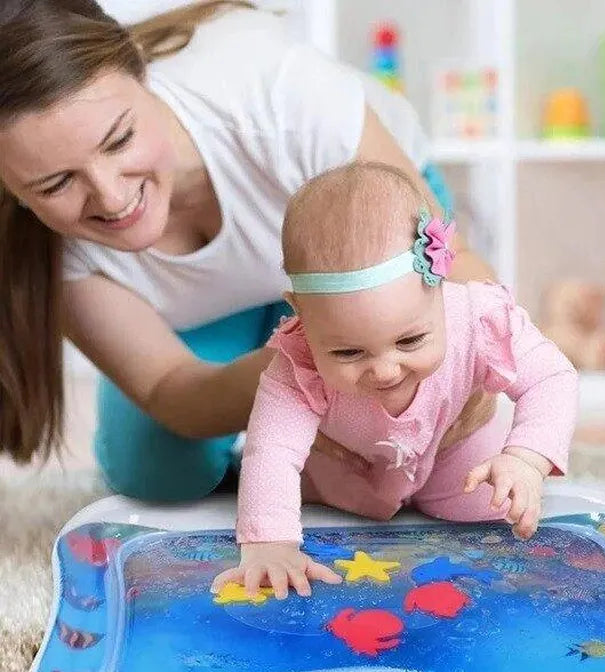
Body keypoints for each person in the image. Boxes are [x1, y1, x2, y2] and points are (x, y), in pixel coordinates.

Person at [0, 0, 495, 500]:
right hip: (221, 310)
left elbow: (464, 272)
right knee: (156, 473)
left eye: (119, 139)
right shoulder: (47, 248)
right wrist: (298, 385)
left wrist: (467, 379)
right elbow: (170, 388)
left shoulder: (275, 92)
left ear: (141, 72)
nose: (111, 196)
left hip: (362, 235)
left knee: (440, 449)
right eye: (56, 183)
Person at [211, 162, 579, 600]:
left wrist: (525, 459)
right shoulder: (299, 362)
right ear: (301, 315)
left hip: (454, 449)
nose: (385, 370)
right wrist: (270, 542)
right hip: (348, 465)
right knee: (308, 503)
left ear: (441, 285)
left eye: (410, 340)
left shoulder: (479, 319)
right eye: (348, 352)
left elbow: (552, 377)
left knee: (499, 508)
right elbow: (272, 448)